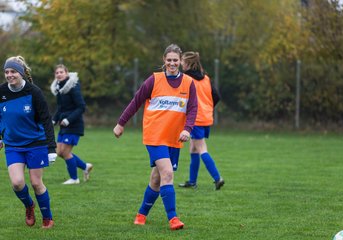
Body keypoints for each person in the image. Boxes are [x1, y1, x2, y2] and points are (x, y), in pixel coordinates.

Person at [113, 44, 198, 230]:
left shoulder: (189, 83)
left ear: (180, 61)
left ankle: (141, 214)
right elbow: (136, 102)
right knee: (168, 173)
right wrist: (121, 123)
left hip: (175, 138)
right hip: (154, 136)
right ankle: (173, 218)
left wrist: (187, 129)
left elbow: (192, 109)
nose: (172, 63)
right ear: (164, 60)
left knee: (157, 179)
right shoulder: (154, 80)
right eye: (169, 60)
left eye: (176, 60)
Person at [0, 56, 56, 228]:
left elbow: (46, 120)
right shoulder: (1, 92)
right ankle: (29, 206)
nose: (9, 75)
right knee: (17, 183)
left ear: (22, 73)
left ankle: (47, 218)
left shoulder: (34, 92)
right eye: (7, 72)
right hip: (13, 145)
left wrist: (51, 148)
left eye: (13, 71)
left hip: (36, 143)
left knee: (36, 182)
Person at [178, 51, 224, 190]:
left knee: (202, 149)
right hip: (206, 118)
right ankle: (192, 182)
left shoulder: (186, 79)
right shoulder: (206, 79)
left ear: (188, 64)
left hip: (195, 120)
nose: (180, 63)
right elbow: (216, 96)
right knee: (193, 149)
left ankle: (218, 178)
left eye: (182, 61)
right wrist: (207, 108)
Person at [50, 64, 93, 184]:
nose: (59, 74)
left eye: (61, 72)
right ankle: (85, 166)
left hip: (74, 125)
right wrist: (54, 120)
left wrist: (68, 120)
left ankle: (74, 179)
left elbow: (81, 107)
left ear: (67, 73)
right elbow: (60, 108)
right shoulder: (59, 89)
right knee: (59, 152)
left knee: (65, 152)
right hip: (63, 125)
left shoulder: (73, 87)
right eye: (57, 72)